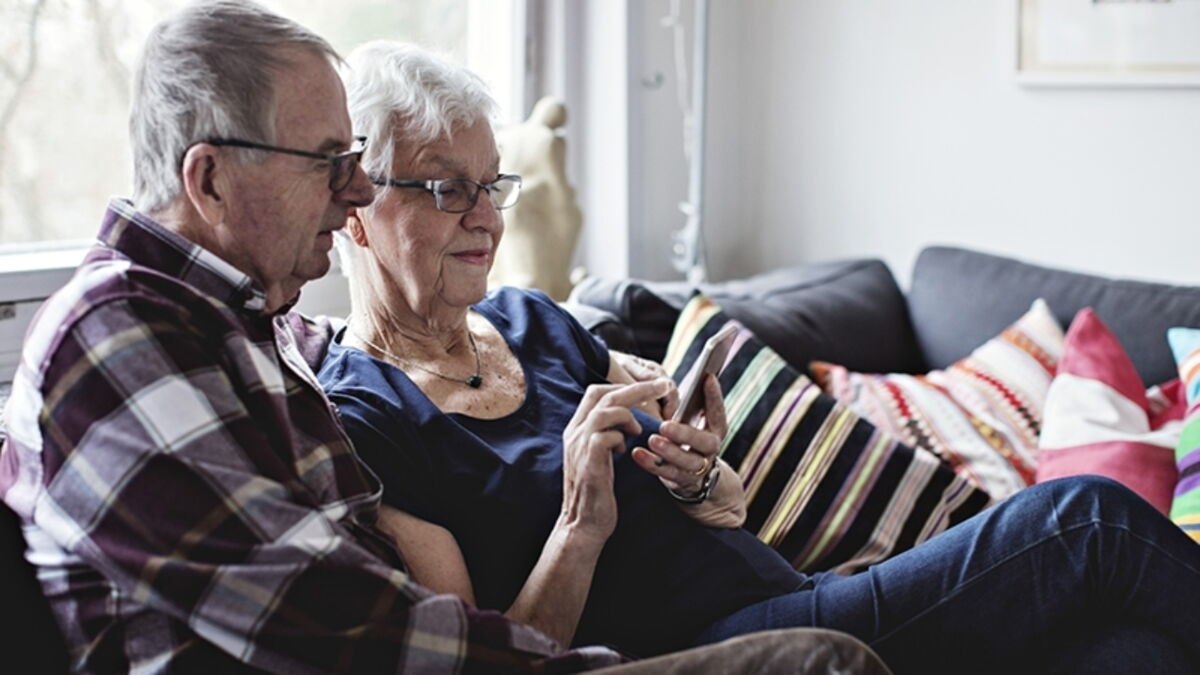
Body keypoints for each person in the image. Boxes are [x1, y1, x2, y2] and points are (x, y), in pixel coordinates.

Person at [0, 3, 896, 673]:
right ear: (211, 180)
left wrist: (688, 460)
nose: (350, 193)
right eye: (329, 163)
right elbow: (323, 616)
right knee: (823, 661)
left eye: (358, 165)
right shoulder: (117, 336)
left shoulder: (251, 331)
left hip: (715, 600)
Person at [317, 40, 1200, 674]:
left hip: (795, 592)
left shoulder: (535, 323)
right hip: (715, 648)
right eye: (445, 186)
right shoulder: (367, 416)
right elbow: (488, 658)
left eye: (492, 182)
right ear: (356, 204)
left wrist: (699, 474)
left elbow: (721, 509)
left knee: (1132, 652)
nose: (484, 213)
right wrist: (579, 523)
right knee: (1086, 521)